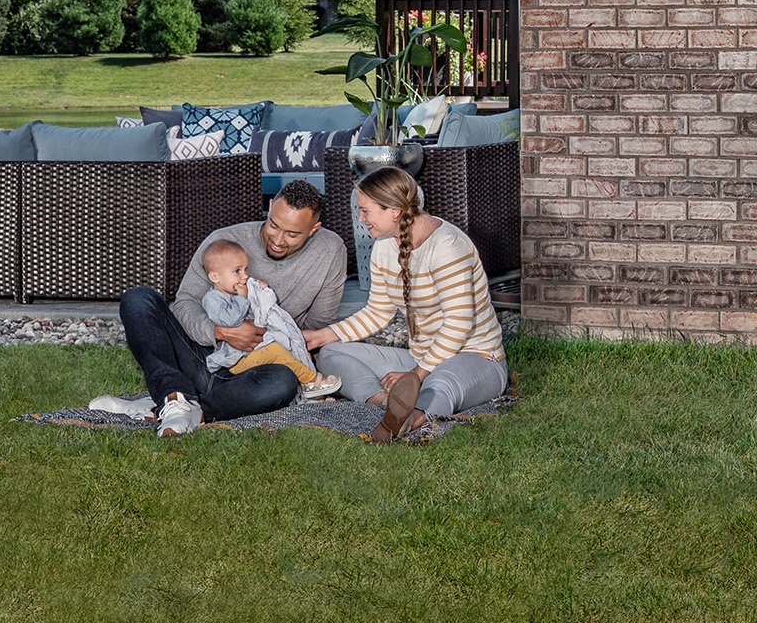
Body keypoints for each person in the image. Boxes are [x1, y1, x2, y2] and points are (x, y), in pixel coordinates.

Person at [98, 180, 349, 436]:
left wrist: (276, 342)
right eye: (274, 224)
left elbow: (316, 327)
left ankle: (172, 404)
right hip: (202, 357)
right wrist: (220, 332)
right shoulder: (224, 241)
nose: (278, 239)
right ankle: (174, 395)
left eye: (292, 234)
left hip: (256, 369)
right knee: (138, 299)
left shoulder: (330, 250)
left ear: (313, 229)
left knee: (282, 382)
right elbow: (185, 304)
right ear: (271, 206)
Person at [302, 166, 509, 444]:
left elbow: (460, 323)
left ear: (394, 211)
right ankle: (387, 402)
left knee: (441, 385)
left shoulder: (447, 246)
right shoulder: (384, 248)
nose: (361, 218)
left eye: (366, 211)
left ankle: (412, 417)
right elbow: (378, 311)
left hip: (477, 358)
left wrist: (417, 374)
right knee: (330, 354)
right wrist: (320, 336)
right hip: (422, 359)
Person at [198, 239, 341, 399]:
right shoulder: (213, 299)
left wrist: (259, 292)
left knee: (294, 347)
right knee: (276, 351)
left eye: (246, 269)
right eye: (237, 271)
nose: (245, 276)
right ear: (214, 276)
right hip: (236, 358)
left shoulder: (238, 291)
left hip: (257, 347)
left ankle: (316, 395)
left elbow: (263, 313)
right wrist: (243, 297)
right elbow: (231, 321)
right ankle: (311, 379)